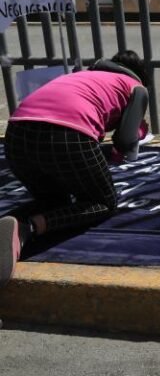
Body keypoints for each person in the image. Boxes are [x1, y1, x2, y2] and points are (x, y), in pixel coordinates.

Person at [0, 51, 150, 288]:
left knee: (53, 200)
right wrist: (138, 133)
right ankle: (28, 229)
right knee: (103, 202)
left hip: (16, 136)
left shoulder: (83, 76)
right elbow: (125, 143)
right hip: (67, 135)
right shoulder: (136, 88)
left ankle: (11, 224)